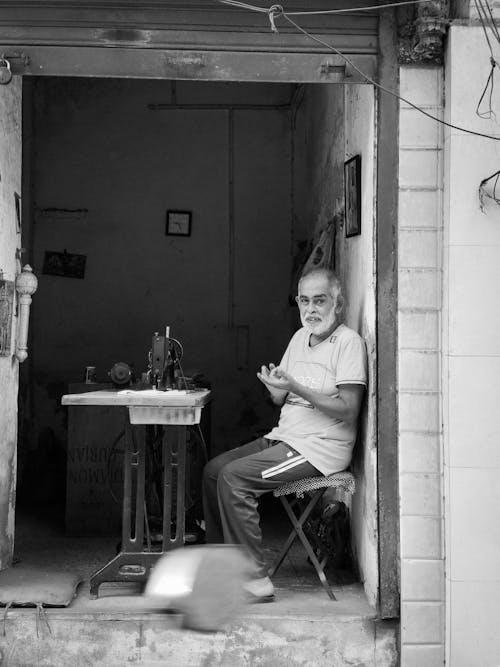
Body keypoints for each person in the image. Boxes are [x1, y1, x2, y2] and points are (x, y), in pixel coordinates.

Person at [202, 267, 367, 601]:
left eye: (320, 300)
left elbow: (349, 408)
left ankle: (255, 579)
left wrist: (296, 387)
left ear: (339, 302)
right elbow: (283, 396)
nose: (311, 309)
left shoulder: (348, 343)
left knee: (234, 478)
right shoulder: (298, 338)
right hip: (286, 437)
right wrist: (277, 390)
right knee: (213, 471)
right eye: (304, 301)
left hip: (318, 449)